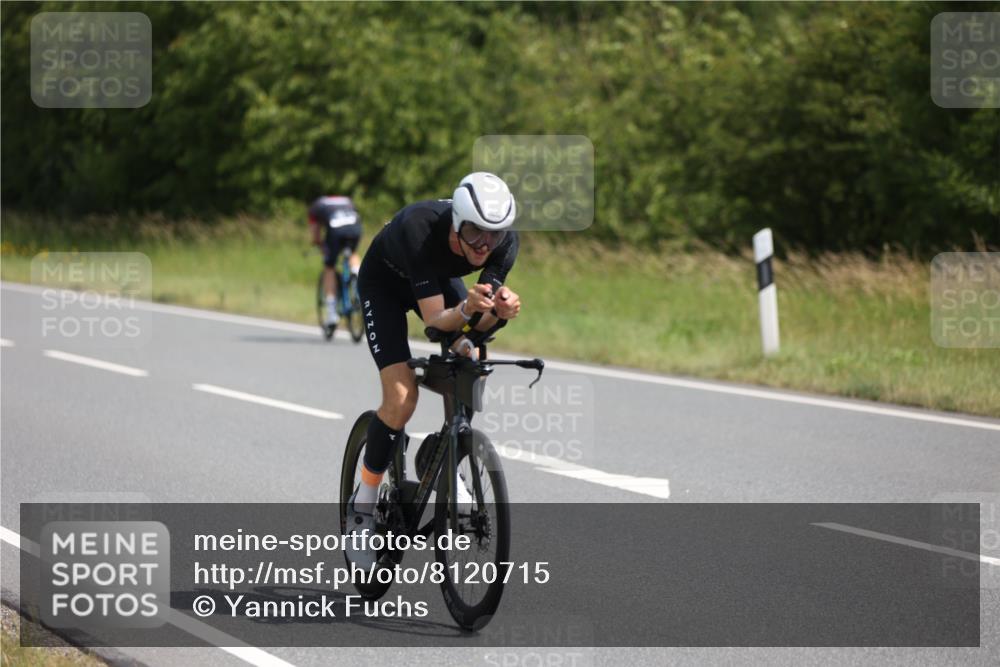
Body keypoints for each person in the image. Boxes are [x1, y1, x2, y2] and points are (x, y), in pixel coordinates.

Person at [346, 172, 522, 567]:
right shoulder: (420, 228)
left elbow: (470, 331)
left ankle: (439, 457)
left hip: (439, 283)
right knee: (402, 396)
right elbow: (435, 322)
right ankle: (364, 503)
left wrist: (499, 314)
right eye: (475, 232)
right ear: (457, 222)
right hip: (386, 285)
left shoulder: (504, 243)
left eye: (493, 235)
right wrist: (467, 312)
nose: (484, 245)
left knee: (470, 362)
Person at [308, 195, 363, 331]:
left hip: (336, 229)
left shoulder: (315, 207)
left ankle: (332, 312)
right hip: (355, 227)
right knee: (352, 253)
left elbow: (315, 234)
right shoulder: (347, 200)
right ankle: (358, 277)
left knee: (329, 267)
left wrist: (320, 245)